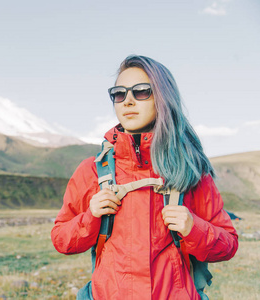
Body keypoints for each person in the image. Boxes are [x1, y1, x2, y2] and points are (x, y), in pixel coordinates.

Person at [51, 55, 238, 299]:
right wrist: (91, 216)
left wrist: (194, 228)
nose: (127, 101)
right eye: (119, 93)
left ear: (163, 97)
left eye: (141, 91)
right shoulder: (92, 171)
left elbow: (228, 245)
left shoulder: (191, 171)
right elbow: (61, 240)